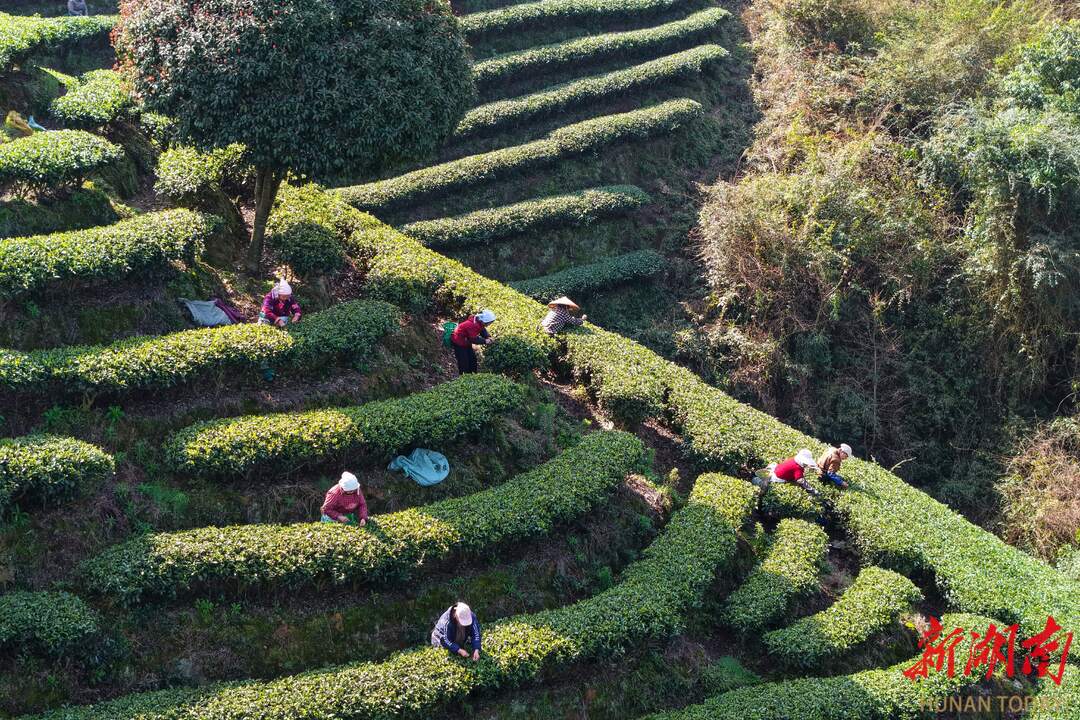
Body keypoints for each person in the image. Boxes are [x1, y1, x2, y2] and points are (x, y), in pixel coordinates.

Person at [450, 309, 496, 375]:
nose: (489, 324)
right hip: (459, 343)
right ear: (484, 321)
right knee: (464, 364)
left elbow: (482, 330)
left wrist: (488, 336)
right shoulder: (471, 325)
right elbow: (473, 339)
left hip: (466, 342)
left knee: (473, 361)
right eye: (489, 323)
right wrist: (485, 341)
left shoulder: (478, 321)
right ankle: (463, 379)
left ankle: (473, 377)